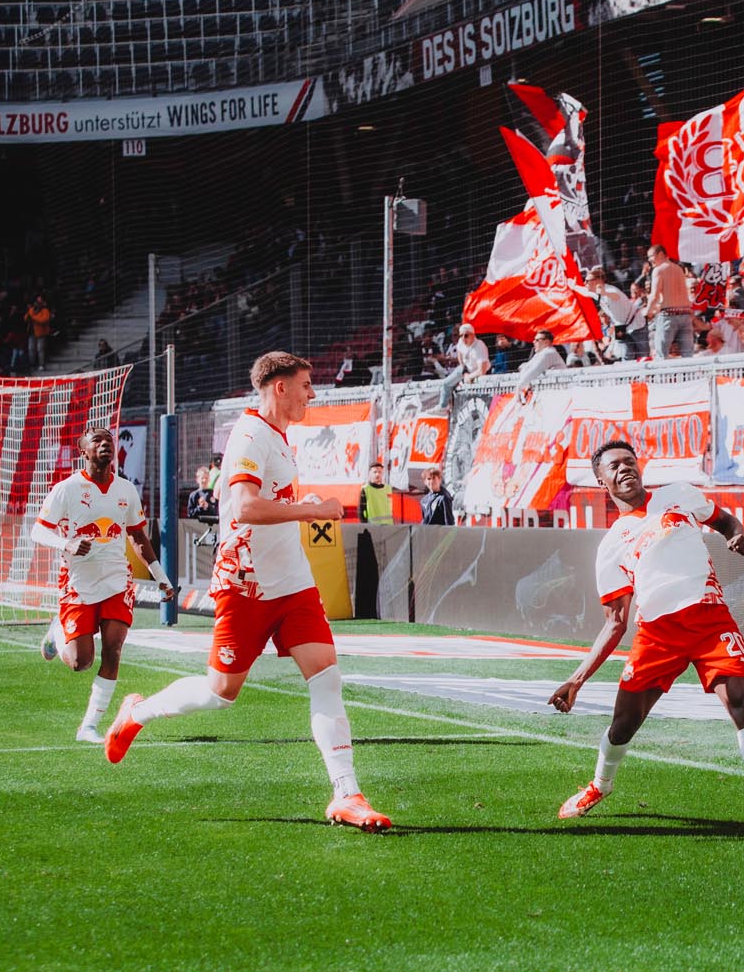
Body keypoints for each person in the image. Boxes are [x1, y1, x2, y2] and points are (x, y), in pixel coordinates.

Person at [104, 351, 392, 833]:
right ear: (280, 387)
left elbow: (267, 502)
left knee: (326, 677)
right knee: (221, 693)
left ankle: (347, 793)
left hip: (293, 583)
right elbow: (244, 507)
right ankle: (138, 711)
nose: (312, 394)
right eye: (305, 385)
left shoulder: (278, 435)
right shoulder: (250, 434)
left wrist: (300, 505)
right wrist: (311, 510)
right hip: (247, 584)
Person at [548, 440, 744, 839]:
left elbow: (725, 522)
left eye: (629, 462)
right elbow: (616, 622)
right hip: (657, 634)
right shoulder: (611, 545)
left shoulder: (679, 494)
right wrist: (576, 679)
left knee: (742, 699)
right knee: (623, 725)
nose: (624, 468)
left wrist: (736, 536)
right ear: (601, 482)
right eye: (614, 466)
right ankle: (600, 785)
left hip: (710, 619)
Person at [31, 428, 176, 743]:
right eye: (96, 440)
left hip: (117, 580)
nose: (105, 443)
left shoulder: (125, 489)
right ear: (83, 450)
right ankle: (57, 633)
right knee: (81, 662)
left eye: (108, 439)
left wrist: (162, 579)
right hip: (78, 581)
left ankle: (89, 727)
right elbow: (38, 531)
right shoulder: (66, 489)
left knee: (114, 649)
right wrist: (66, 544)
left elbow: (138, 536)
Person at [645, 245, 695, 360]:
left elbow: (654, 296)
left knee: (661, 355)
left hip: (669, 315)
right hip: (685, 314)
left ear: (660, 254)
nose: (649, 260)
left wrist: (647, 312)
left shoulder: (658, 270)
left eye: (651, 256)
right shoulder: (678, 268)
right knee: (688, 356)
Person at [437, 323, 491, 409]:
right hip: (466, 369)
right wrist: (464, 371)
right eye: (461, 335)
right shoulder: (461, 342)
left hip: (479, 373)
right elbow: (460, 355)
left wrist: (470, 376)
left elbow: (482, 370)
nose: (463, 338)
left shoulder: (479, 346)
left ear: (473, 335)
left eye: (466, 335)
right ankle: (442, 407)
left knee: (478, 398)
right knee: (446, 383)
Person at [514, 329, 566, 394]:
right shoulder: (540, 354)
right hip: (553, 389)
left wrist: (518, 388)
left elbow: (533, 371)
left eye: (537, 340)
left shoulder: (548, 353)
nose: (533, 342)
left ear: (546, 342)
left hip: (560, 390)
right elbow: (525, 367)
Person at [24, 294, 52, 370]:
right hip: (32, 332)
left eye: (39, 301)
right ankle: (32, 365)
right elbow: (26, 318)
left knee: (40, 349)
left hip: (41, 333)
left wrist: (33, 318)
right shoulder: (31, 310)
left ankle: (41, 364)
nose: (37, 303)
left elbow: (44, 320)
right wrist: (28, 315)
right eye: (36, 302)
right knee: (31, 349)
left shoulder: (45, 310)